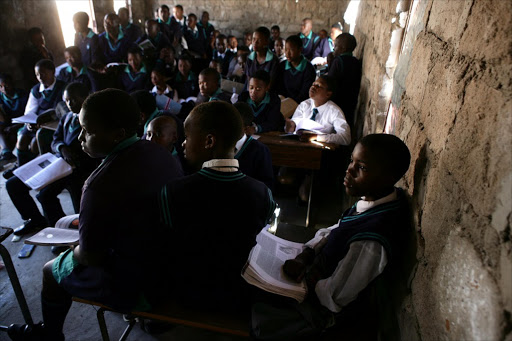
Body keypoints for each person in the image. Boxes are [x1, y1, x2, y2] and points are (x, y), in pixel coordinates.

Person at [7, 88, 183, 341]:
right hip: (169, 265)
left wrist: (74, 245)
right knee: (74, 227)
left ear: (117, 135)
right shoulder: (160, 153)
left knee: (50, 271)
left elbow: (90, 256)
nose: (80, 138)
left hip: (139, 284)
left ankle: (50, 335)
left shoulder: (99, 183)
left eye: (87, 131)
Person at [251, 134, 411, 340]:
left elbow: (334, 295)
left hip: (323, 312)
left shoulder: (371, 239)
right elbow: (336, 229)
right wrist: (306, 255)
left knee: (256, 299)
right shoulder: (377, 198)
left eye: (361, 167)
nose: (349, 170)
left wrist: (296, 286)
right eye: (352, 161)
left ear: (389, 177)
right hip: (314, 272)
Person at [158, 101, 276, 314]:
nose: (183, 144)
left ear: (209, 141)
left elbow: (167, 247)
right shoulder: (262, 193)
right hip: (242, 298)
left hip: (188, 296)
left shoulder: (173, 192)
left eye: (187, 137)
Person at [6, 83, 97, 237]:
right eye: (66, 100)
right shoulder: (68, 117)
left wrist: (72, 157)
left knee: (45, 195)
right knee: (12, 184)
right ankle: (34, 220)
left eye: (73, 100)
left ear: (86, 97)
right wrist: (62, 147)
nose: (69, 105)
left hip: (77, 168)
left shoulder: (93, 120)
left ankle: (62, 232)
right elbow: (55, 139)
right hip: (57, 162)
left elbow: (95, 152)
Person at [13, 59, 66, 169]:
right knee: (22, 139)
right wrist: (29, 121)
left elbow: (62, 110)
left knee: (34, 143)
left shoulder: (62, 87)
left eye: (43, 73)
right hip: (35, 123)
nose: (40, 77)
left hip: (52, 124)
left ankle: (30, 167)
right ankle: (21, 167)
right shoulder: (36, 89)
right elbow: (30, 110)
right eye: (37, 74)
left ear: (52, 71)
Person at [285, 75, 351, 146]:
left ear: (328, 94)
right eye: (313, 84)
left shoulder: (334, 111)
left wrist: (317, 137)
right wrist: (291, 127)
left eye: (319, 86)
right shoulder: (304, 105)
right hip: (299, 146)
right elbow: (294, 127)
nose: (313, 87)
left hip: (320, 151)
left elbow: (346, 138)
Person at [233, 102, 274, 190]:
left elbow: (266, 186)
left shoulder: (260, 151)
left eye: (234, 125)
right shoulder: (218, 145)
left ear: (246, 129)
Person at [328, 33, 361, 128]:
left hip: (338, 99)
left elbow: (330, 81)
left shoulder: (338, 61)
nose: (334, 49)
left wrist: (330, 62)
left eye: (336, 46)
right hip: (351, 100)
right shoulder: (356, 61)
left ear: (343, 48)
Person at [275, 35, 316, 104]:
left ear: (300, 50)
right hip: (283, 102)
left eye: (291, 50)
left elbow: (304, 94)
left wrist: (291, 103)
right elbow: (278, 88)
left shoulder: (308, 69)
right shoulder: (282, 66)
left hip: (300, 104)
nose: (287, 53)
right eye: (286, 50)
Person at [0, 74, 28, 163]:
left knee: (15, 136)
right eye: (0, 86)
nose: (4, 89)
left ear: (12, 84)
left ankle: (10, 155)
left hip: (23, 123)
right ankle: (6, 152)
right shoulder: (0, 97)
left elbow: (29, 117)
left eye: (6, 85)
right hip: (8, 125)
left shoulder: (23, 95)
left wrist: (14, 127)